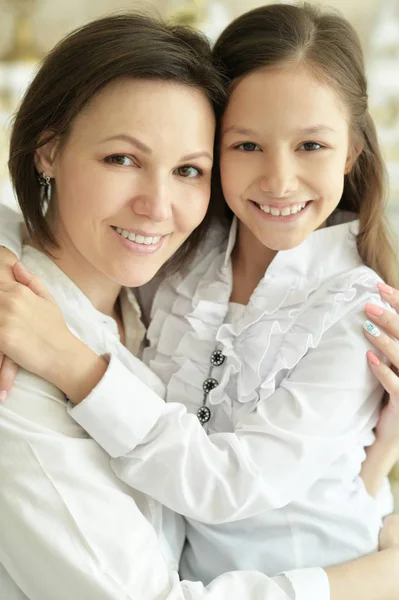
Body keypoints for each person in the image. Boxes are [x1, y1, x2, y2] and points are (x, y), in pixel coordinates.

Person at [0, 7, 399, 600]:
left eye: (188, 169)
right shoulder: (175, 273)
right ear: (47, 151)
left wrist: (374, 476)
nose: (159, 206)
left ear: (352, 151)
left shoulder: (143, 291)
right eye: (122, 158)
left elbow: (250, 481)